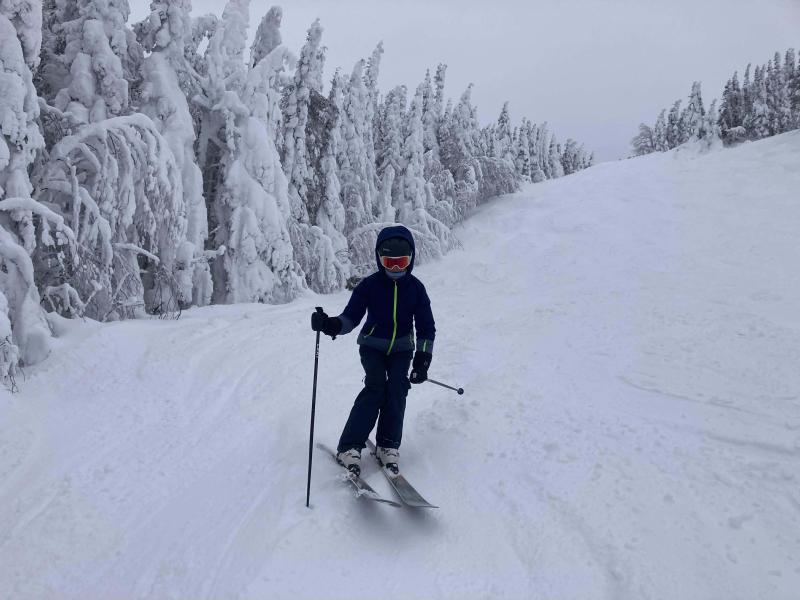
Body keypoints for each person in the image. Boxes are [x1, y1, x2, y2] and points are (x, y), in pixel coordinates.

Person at [311, 225, 435, 477]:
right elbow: (350, 317)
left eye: (402, 262)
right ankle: (349, 447)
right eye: (390, 262)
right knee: (376, 387)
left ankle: (388, 445)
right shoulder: (370, 286)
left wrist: (422, 360)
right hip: (372, 346)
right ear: (379, 259)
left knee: (398, 388)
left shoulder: (416, 289)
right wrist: (331, 324)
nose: (396, 269)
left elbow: (426, 328)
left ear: (411, 258)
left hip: (402, 349)